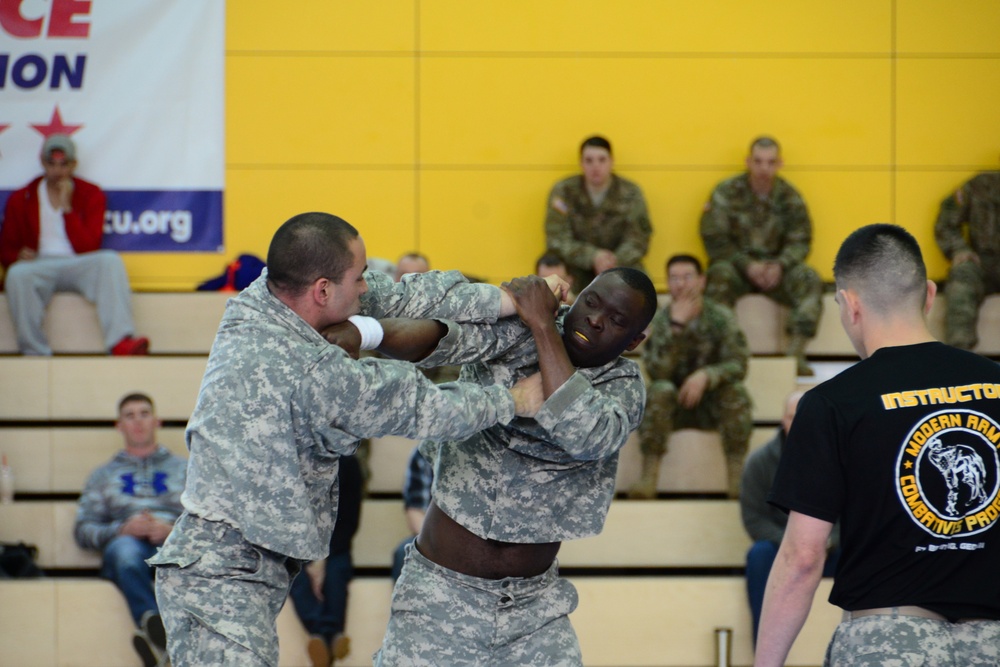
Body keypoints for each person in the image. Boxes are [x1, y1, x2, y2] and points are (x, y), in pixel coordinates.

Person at [149, 212, 541, 667]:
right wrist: (514, 399)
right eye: (358, 278)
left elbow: (399, 294)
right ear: (322, 290)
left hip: (232, 567)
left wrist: (505, 300)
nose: (366, 288)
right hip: (222, 580)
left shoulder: (259, 298)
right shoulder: (314, 374)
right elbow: (426, 406)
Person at [370, 268, 659, 666]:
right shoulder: (518, 329)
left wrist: (544, 326)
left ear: (635, 341)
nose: (595, 319)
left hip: (533, 608)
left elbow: (586, 433)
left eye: (617, 320)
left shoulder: (622, 385)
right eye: (591, 302)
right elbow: (438, 338)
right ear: (576, 297)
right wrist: (366, 333)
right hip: (440, 594)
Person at [755, 224, 1000, 667]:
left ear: (850, 305)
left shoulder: (831, 403)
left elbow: (803, 558)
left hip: (888, 641)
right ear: (929, 294)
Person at [0, 134, 149, 356]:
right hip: (39, 265)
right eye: (51, 164)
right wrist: (17, 254)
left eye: (63, 164)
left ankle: (120, 341)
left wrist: (67, 208)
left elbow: (89, 246)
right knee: (17, 275)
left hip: (78, 263)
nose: (57, 171)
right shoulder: (22, 197)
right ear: (42, 162)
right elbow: (5, 249)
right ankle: (34, 350)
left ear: (74, 165)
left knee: (109, 261)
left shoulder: (90, 194)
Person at [74, 393, 185, 667]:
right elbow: (83, 529)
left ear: (157, 421)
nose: (138, 421)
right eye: (130, 415)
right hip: (125, 551)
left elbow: (206, 523)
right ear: (119, 425)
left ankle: (157, 644)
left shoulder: (185, 469)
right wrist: (122, 528)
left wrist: (173, 531)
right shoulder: (103, 475)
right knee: (125, 551)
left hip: (171, 545)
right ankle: (158, 632)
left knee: (189, 559)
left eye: (144, 413)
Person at [629, 254, 753, 499]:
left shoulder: (721, 317)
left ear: (702, 281)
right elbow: (656, 371)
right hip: (671, 408)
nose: (681, 284)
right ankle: (648, 478)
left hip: (710, 404)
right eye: (674, 278)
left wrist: (707, 375)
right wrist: (676, 325)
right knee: (660, 389)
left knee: (736, 392)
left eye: (687, 277)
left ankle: (737, 481)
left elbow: (739, 364)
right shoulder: (659, 320)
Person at [699, 136, 823, 376]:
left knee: (810, 279)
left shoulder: (790, 197)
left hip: (777, 271)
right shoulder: (726, 192)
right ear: (748, 161)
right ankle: (724, 352)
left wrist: (781, 264)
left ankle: (795, 354)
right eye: (758, 161)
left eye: (770, 162)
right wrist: (746, 265)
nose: (764, 168)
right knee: (718, 275)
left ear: (780, 164)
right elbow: (714, 238)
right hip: (738, 269)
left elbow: (801, 240)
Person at [740, 390, 839, 644]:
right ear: (784, 420)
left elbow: (854, 513)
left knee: (866, 554)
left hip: (831, 548)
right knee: (759, 556)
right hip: (780, 548)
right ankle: (763, 651)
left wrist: (827, 542)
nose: (800, 423)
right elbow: (754, 519)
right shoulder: (760, 462)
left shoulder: (843, 457)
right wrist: (795, 543)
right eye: (794, 417)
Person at [544, 135, 652, 289]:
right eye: (589, 160)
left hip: (619, 266)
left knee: (641, 284)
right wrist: (592, 257)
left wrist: (612, 260)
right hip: (576, 268)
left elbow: (639, 238)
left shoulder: (631, 193)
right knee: (555, 279)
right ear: (581, 163)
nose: (595, 166)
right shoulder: (564, 191)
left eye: (602, 160)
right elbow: (556, 239)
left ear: (611, 161)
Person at [288, 454, 362, 667]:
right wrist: (309, 559)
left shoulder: (348, 463)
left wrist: (323, 558)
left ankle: (320, 635)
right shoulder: (292, 461)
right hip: (297, 548)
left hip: (334, 546)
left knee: (338, 568)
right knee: (294, 573)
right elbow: (289, 519)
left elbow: (348, 521)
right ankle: (331, 634)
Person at [934, 170, 1000, 350]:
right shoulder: (981, 186)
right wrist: (959, 250)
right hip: (982, 263)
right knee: (962, 276)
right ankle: (959, 358)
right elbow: (946, 222)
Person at [390, 445, 433, 582]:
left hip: (483, 540)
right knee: (404, 552)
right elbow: (415, 512)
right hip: (436, 537)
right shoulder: (425, 451)